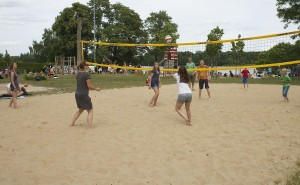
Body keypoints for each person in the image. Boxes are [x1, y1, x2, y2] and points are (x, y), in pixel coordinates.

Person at [70, 61, 100, 128]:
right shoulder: (86, 74)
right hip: (83, 95)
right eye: (87, 65)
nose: (88, 66)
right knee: (90, 110)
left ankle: (71, 124)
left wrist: (94, 87)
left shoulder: (78, 74)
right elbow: (89, 86)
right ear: (84, 66)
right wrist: (96, 89)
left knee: (80, 110)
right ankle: (90, 127)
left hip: (77, 94)